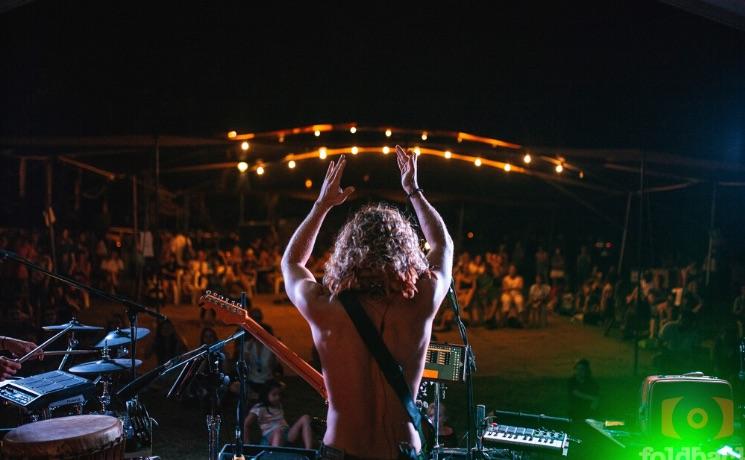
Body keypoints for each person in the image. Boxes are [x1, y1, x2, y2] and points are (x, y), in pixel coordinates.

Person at [280, 147, 453, 459]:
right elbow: (443, 245)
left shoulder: (325, 309)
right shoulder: (421, 301)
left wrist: (321, 206)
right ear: (406, 252)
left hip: (344, 449)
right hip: (400, 451)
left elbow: (292, 263)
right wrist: (413, 190)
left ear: (348, 251)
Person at [243, 380, 314, 449]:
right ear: (266, 394)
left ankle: (308, 451)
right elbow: (246, 424)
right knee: (278, 431)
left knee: (305, 417)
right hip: (270, 436)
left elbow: (282, 386)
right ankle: (275, 454)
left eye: (279, 394)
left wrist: (277, 385)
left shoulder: (278, 404)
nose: (278, 397)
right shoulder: (259, 408)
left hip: (287, 433)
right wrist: (247, 444)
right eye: (274, 395)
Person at [567, 359, 599, 423]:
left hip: (587, 412)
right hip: (574, 411)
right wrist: (592, 398)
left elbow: (596, 398)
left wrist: (591, 412)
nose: (580, 371)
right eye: (578, 369)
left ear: (587, 370)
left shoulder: (592, 383)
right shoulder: (571, 381)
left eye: (582, 369)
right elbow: (576, 393)